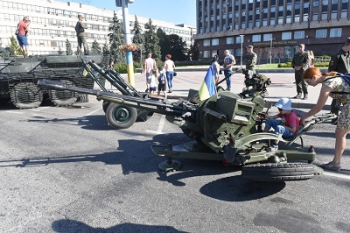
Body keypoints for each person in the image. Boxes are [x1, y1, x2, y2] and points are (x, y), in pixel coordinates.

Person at [300, 67, 350, 171]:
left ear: (314, 77)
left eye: (308, 81)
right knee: (340, 133)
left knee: (340, 133)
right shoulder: (333, 76)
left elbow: (319, 107)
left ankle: (336, 163)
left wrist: (304, 117)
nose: (308, 84)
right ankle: (336, 161)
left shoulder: (327, 84)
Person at [327, 37, 350, 124]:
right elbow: (331, 71)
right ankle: (334, 118)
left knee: (347, 100)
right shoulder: (337, 56)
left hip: (348, 82)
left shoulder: (348, 54)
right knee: (336, 101)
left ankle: (345, 118)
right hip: (339, 82)